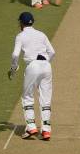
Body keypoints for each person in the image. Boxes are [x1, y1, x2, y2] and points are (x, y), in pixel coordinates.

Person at [8, 12, 55, 140]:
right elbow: (52, 52)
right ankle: (46, 130)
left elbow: (15, 55)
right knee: (45, 98)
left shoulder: (21, 36)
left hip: (32, 66)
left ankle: (31, 127)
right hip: (46, 66)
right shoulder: (41, 34)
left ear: (21, 23)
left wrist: (13, 68)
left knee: (27, 96)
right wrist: (44, 62)